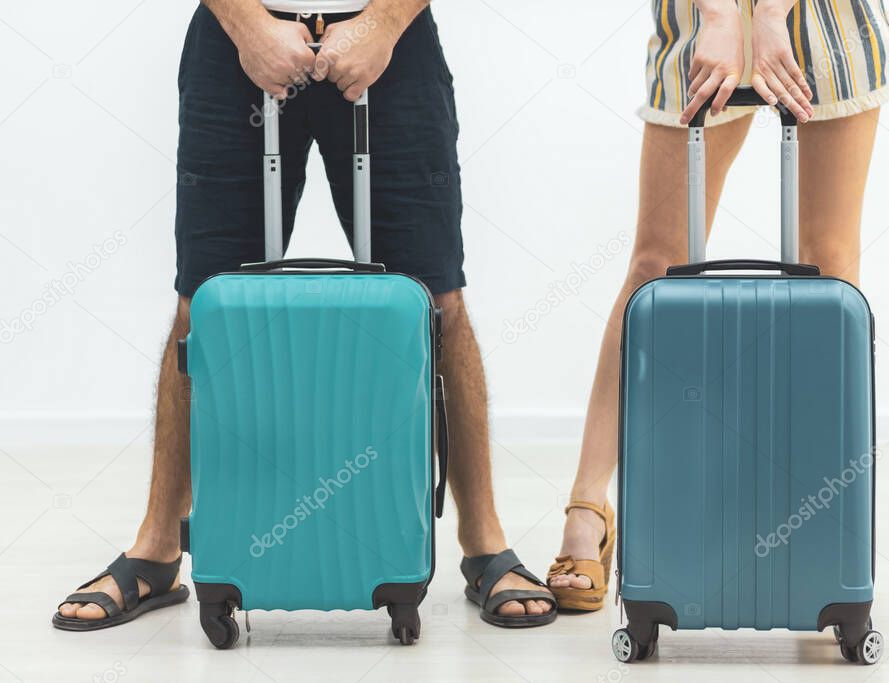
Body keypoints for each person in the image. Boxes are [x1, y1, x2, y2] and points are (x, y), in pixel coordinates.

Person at [54, 0, 556, 631]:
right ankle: (157, 550)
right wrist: (246, 25)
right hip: (239, 39)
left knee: (437, 299)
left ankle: (484, 545)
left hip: (391, 43)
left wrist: (385, 23)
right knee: (202, 303)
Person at [546, 0, 889, 611]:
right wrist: (719, 13)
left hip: (827, 18)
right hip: (699, 17)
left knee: (829, 266)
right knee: (657, 266)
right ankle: (589, 507)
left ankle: (818, 521)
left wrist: (770, 15)